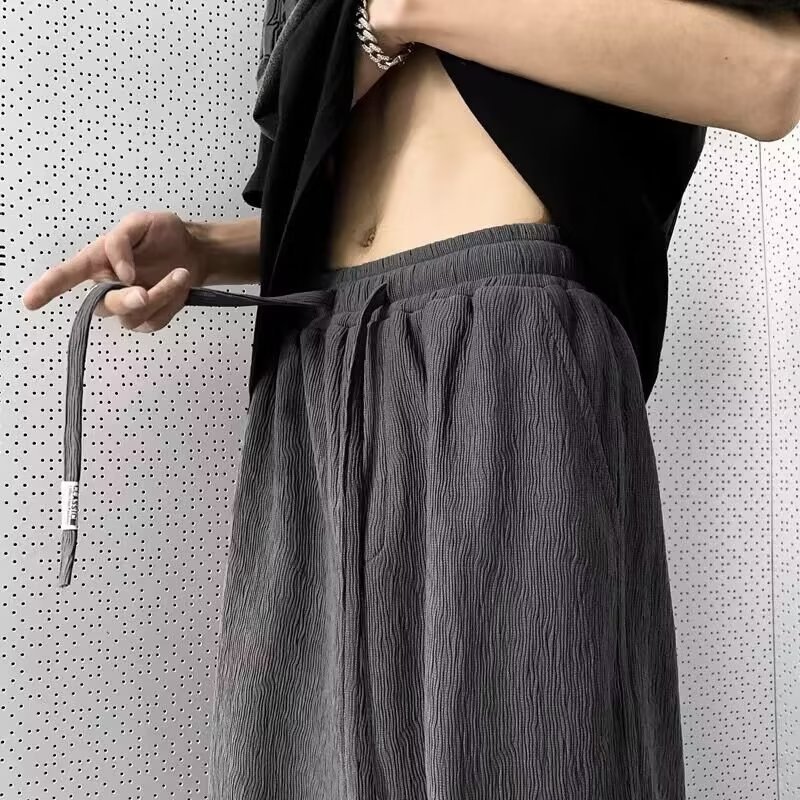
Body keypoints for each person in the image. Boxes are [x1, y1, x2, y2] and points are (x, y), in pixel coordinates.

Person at [22, 1, 800, 798]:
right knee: (289, 764)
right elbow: (369, 174)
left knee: (528, 753)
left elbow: (772, 76)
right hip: (314, 358)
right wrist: (208, 247)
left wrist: (404, 11)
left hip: (507, 338)